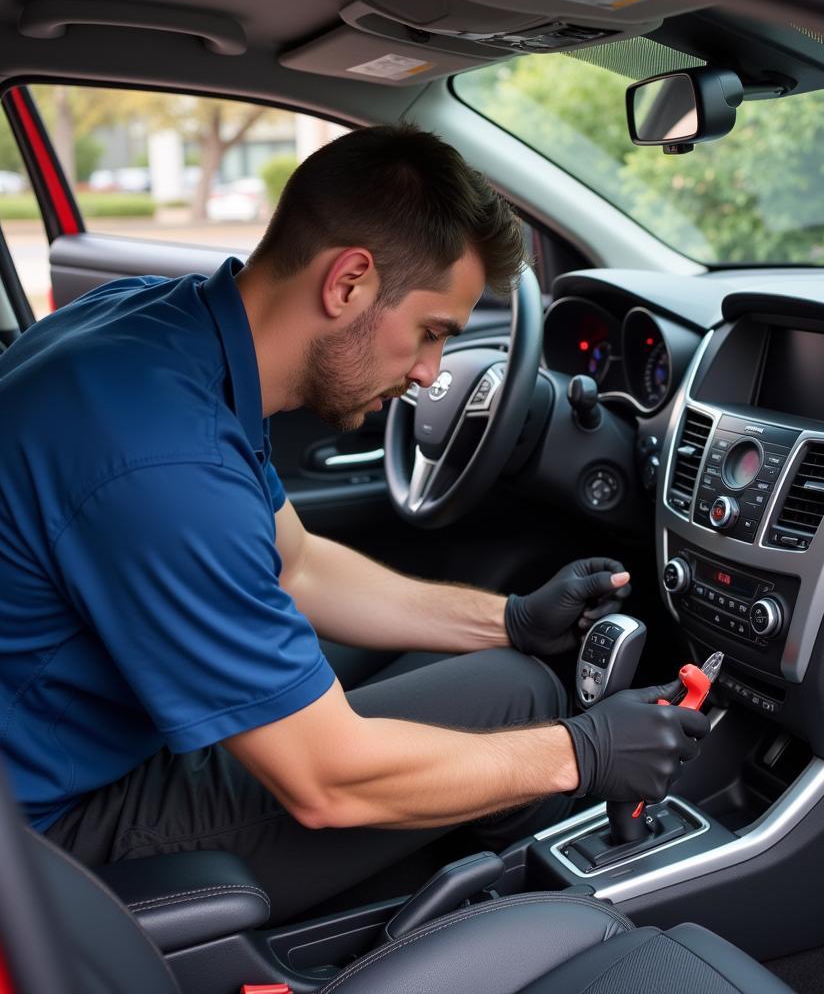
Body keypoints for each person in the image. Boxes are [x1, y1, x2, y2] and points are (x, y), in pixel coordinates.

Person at [0, 123, 708, 921]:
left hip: (65, 743)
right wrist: (586, 754)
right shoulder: (163, 463)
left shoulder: (159, 332)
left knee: (503, 668)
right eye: (433, 331)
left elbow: (295, 566)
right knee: (517, 702)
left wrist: (508, 619)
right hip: (47, 840)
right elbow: (324, 782)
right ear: (349, 284)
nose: (431, 373)